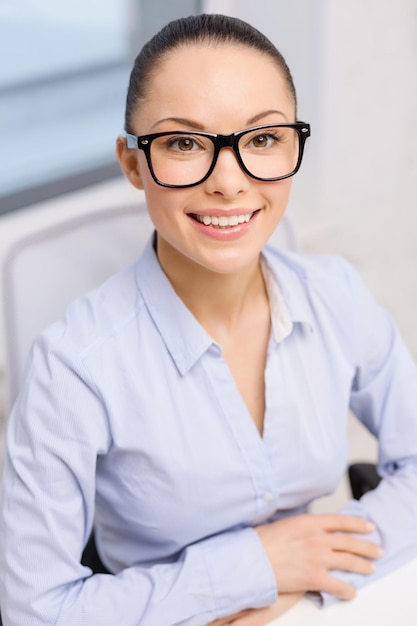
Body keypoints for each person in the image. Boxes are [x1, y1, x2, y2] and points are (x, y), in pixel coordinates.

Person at [1, 12, 417, 626]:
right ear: (133, 163)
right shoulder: (73, 369)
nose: (229, 181)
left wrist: (305, 580)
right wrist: (249, 572)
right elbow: (35, 610)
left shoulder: (336, 295)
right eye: (184, 143)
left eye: (263, 139)